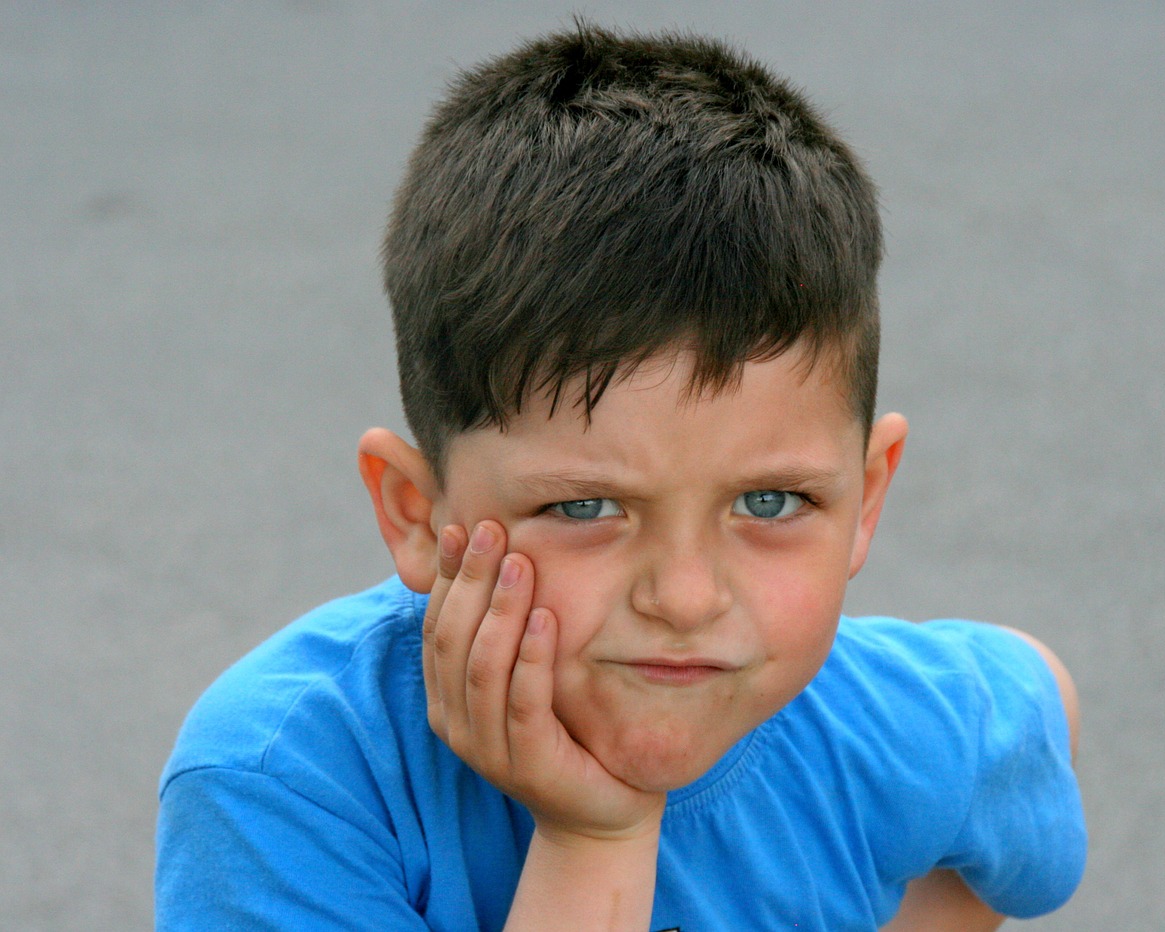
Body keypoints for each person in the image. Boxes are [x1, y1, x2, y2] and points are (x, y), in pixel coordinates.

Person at [156, 22, 1085, 931]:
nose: (684, 598)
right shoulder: (283, 785)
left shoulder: (882, 727)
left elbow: (1037, 698)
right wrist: (595, 837)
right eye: (585, 506)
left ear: (867, 496)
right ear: (413, 510)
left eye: (770, 502)